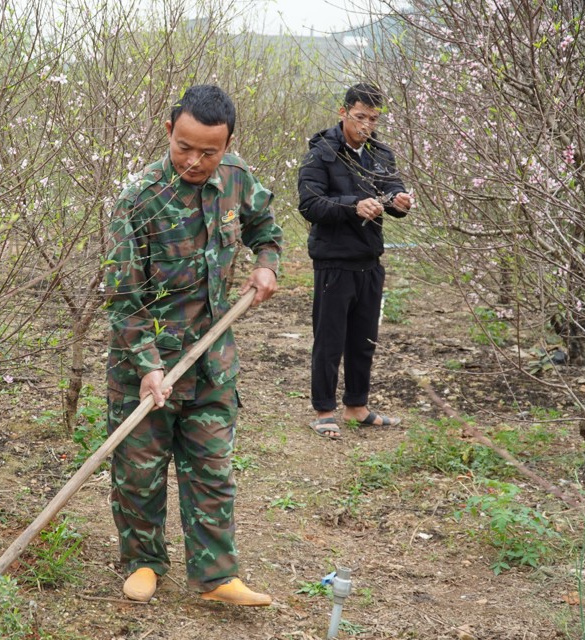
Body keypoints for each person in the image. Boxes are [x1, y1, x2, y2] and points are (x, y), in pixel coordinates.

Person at [103, 85, 282, 605]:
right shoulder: (138, 200)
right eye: (185, 147)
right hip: (146, 362)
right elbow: (123, 298)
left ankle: (215, 576)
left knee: (212, 468)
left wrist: (266, 263)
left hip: (211, 360)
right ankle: (143, 562)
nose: (195, 161)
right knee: (139, 471)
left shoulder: (237, 180)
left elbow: (266, 228)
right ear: (168, 132)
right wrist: (148, 367)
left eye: (209, 151)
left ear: (227, 145)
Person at [297, 82, 413, 440]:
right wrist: (352, 206)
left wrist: (399, 200)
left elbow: (392, 188)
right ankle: (324, 410)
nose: (366, 126)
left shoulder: (380, 153)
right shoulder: (322, 152)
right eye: (360, 117)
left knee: (365, 339)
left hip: (369, 258)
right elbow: (309, 203)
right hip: (333, 260)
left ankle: (357, 406)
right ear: (343, 112)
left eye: (373, 119)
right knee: (330, 338)